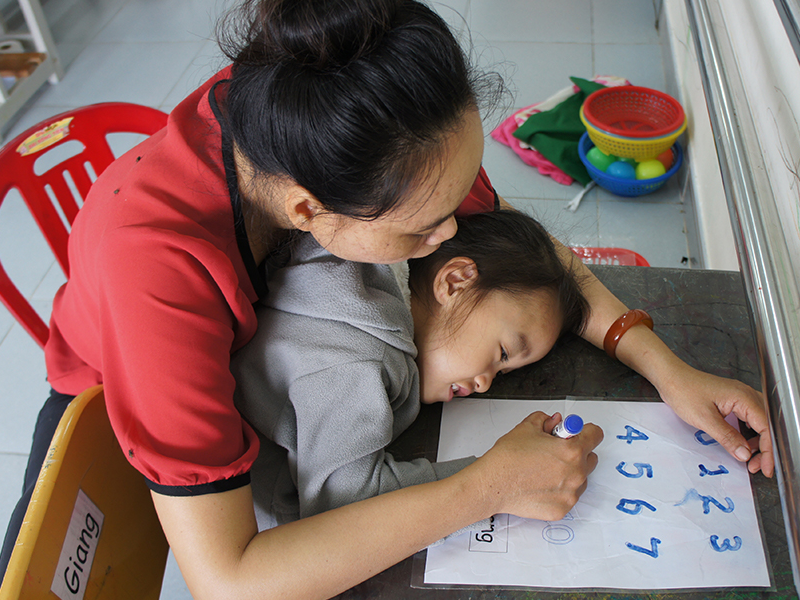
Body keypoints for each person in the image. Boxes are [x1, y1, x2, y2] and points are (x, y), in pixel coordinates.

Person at [0, 0, 769, 600]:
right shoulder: (158, 274)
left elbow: (523, 253)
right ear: (308, 216)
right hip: (113, 397)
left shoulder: (339, 123)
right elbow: (230, 586)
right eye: (425, 229)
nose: (450, 234)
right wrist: (487, 487)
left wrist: (663, 367)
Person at [234, 209, 590, 528]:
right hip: (270, 534)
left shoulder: (362, 272)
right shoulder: (358, 362)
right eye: (502, 352)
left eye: (502, 372)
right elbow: (340, 509)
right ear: (455, 282)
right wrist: (499, 477)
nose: (484, 384)